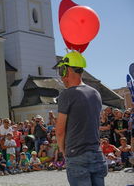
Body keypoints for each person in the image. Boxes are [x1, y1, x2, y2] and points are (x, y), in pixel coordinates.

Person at [54, 51, 108, 185]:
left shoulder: (66, 95)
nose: (61, 77)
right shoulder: (95, 93)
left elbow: (60, 131)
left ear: (66, 70)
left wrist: (63, 151)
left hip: (76, 154)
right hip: (97, 153)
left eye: (61, 71)